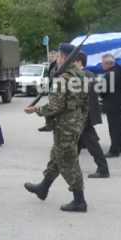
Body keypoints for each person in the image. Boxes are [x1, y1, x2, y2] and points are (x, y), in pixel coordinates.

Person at [24, 43, 89, 212]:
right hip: (75, 123)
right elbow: (85, 103)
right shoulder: (81, 75)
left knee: (68, 161)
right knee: (56, 157)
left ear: (64, 57)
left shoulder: (63, 78)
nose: (56, 58)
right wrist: (80, 121)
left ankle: (79, 200)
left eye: (58, 56)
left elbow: (55, 107)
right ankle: (43, 187)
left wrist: (36, 109)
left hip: (65, 125)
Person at [75, 51, 110, 179]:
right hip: (86, 114)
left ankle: (103, 169)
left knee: (92, 143)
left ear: (79, 62)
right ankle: (70, 167)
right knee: (77, 144)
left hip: (84, 115)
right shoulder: (89, 74)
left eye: (73, 61)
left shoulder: (82, 75)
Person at [100, 54, 121, 158]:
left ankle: (114, 150)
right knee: (119, 123)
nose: (101, 65)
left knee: (114, 127)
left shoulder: (111, 74)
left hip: (113, 103)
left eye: (102, 63)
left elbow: (104, 90)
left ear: (108, 63)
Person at [38, 50, 58, 132]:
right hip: (52, 88)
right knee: (50, 107)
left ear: (56, 56)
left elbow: (56, 78)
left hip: (56, 89)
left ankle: (51, 125)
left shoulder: (57, 65)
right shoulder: (51, 65)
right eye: (50, 56)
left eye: (52, 56)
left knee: (51, 108)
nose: (50, 58)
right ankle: (49, 125)